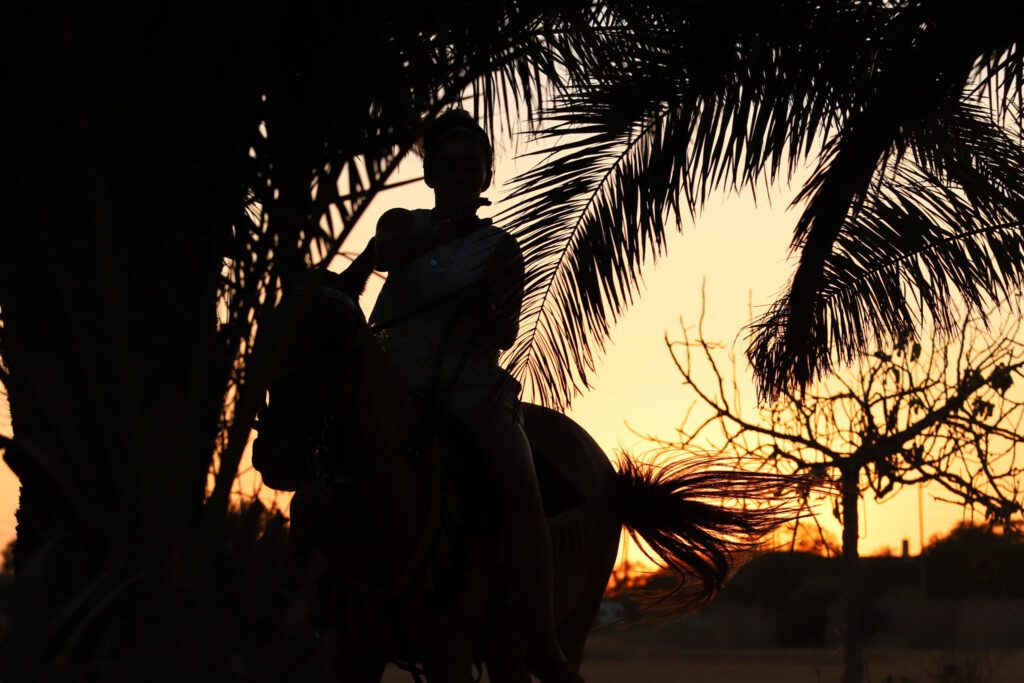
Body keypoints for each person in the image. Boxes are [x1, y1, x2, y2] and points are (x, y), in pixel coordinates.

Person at [369, 110, 582, 683]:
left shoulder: (500, 249)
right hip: (394, 384)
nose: (461, 176)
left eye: (473, 167)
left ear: (485, 178)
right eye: (450, 165)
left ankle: (542, 641)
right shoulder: (400, 222)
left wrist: (485, 309)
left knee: (521, 489)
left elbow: (505, 333)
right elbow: (383, 255)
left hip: (468, 390)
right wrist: (442, 235)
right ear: (431, 173)